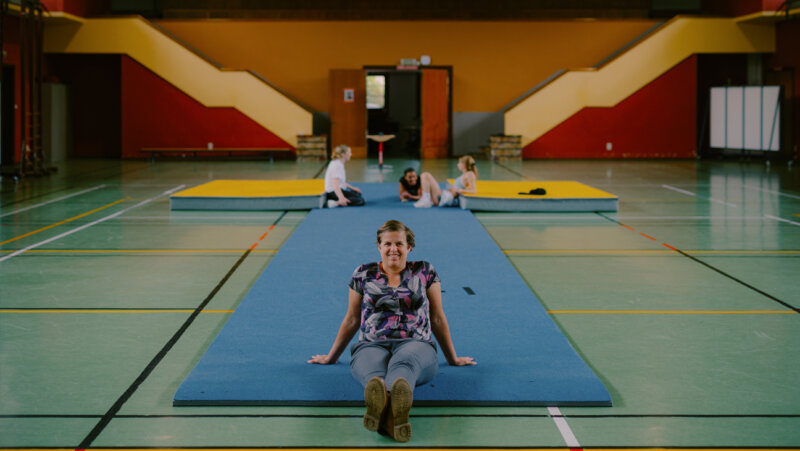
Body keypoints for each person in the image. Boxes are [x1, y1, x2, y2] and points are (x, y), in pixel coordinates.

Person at [308, 220, 475, 442]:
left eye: (399, 244)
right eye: (387, 244)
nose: (393, 249)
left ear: (409, 247)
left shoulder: (425, 271)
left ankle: (387, 407)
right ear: (379, 246)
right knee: (373, 376)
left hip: (416, 343)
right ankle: (391, 413)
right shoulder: (363, 273)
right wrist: (331, 357)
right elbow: (351, 319)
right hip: (371, 343)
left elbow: (437, 318)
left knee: (404, 365)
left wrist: (452, 358)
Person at [413, 155, 478, 208]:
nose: (458, 165)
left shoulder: (470, 174)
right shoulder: (465, 174)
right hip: (445, 195)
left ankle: (426, 200)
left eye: (459, 163)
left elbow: (473, 190)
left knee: (426, 175)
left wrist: (460, 190)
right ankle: (426, 199)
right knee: (424, 175)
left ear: (464, 165)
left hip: (446, 198)